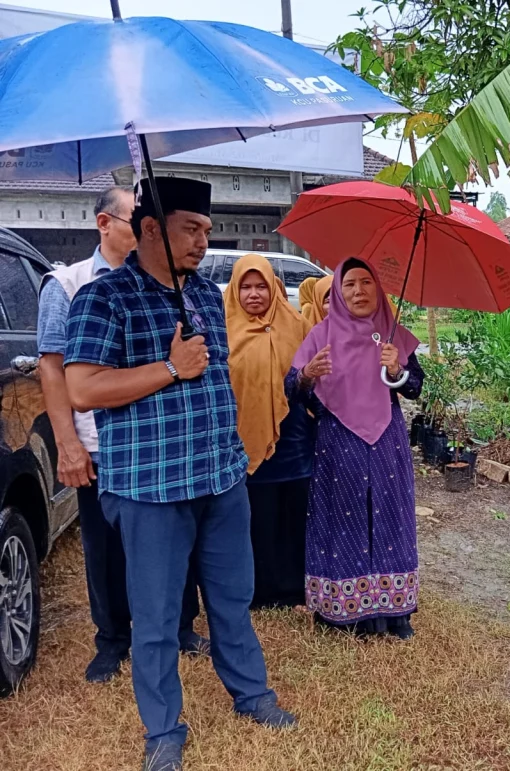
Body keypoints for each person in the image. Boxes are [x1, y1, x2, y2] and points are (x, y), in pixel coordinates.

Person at [64, 178, 295, 771]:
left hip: (221, 478)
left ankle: (251, 694)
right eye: (191, 228)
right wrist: (169, 367)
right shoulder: (104, 298)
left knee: (232, 599)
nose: (202, 240)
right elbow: (82, 388)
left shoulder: (204, 295)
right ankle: (163, 728)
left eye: (206, 229)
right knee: (157, 616)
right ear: (150, 229)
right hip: (151, 488)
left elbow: (217, 379)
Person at [35, 187, 207, 684]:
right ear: (104, 223)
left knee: (177, 537)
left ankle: (181, 625)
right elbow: (52, 369)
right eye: (137, 218)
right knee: (106, 547)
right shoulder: (69, 285)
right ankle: (112, 638)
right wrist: (68, 444)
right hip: (99, 442)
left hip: (161, 442)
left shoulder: (169, 282)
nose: (147, 226)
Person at [288, 259, 423, 639]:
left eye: (366, 282)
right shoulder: (321, 336)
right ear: (337, 291)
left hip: (386, 441)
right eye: (349, 284)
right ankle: (344, 612)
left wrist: (397, 370)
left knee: (390, 517)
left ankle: (394, 614)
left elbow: (415, 387)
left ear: (378, 288)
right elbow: (293, 391)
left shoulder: (392, 334)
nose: (359, 291)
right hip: (338, 441)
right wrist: (307, 375)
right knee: (343, 519)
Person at [223, 254, 313, 609]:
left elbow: (313, 383)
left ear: (275, 288)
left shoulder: (296, 324)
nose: (254, 294)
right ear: (235, 290)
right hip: (244, 438)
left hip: (292, 439)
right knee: (256, 517)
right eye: (245, 287)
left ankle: (292, 588)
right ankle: (258, 591)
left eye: (261, 286)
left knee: (293, 514)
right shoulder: (224, 328)